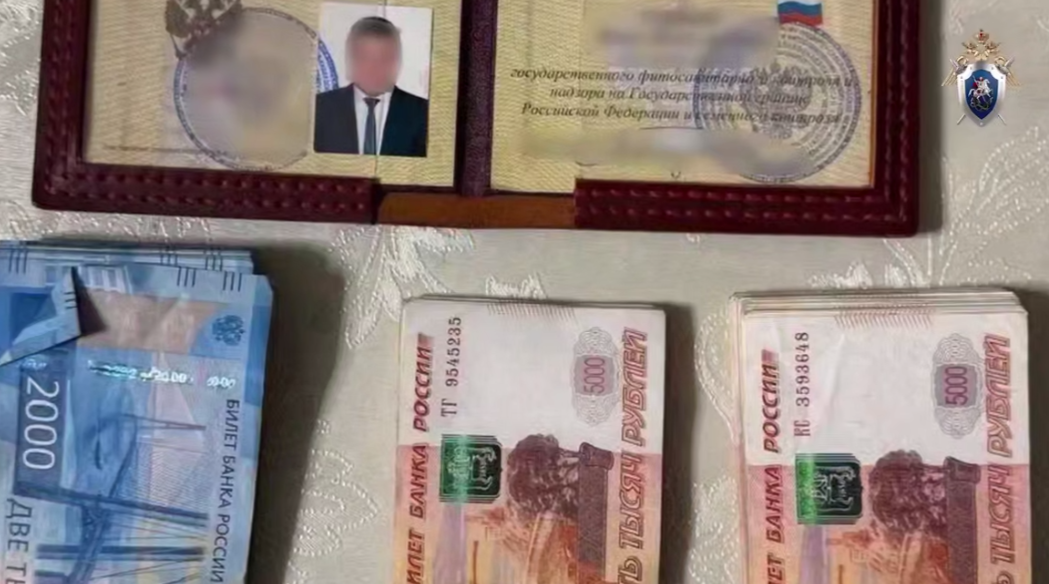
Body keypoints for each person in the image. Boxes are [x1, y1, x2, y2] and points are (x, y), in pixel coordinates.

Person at [314, 16, 428, 157]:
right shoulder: (318, 109)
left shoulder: (425, 113)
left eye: (385, 58)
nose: (375, 68)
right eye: (365, 58)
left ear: (399, 61)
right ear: (349, 60)